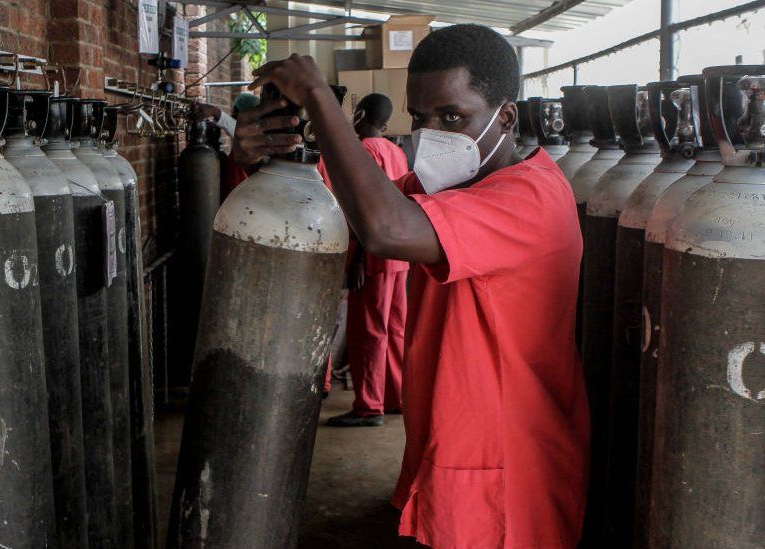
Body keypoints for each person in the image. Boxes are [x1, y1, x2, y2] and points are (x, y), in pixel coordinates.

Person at [232, 24, 589, 549]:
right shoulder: (454, 184)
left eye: (454, 118)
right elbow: (346, 207)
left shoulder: (528, 198)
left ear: (506, 117)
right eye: (421, 118)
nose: (433, 134)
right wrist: (265, 157)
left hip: (506, 468)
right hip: (454, 448)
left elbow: (384, 229)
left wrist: (318, 100)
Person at [316, 93, 410, 427]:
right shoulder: (396, 151)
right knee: (394, 329)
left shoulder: (366, 151)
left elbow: (367, 209)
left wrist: (358, 260)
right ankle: (396, 396)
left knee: (369, 332)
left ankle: (369, 405)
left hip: (374, 256)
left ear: (361, 114)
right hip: (399, 256)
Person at [192, 93, 261, 201]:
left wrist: (215, 112)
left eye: (235, 112)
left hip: (240, 194)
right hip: (233, 190)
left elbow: (235, 129)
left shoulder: (252, 135)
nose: (233, 114)